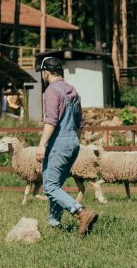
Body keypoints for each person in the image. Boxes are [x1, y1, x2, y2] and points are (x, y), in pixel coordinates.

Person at [36, 56, 99, 235]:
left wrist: (42, 145)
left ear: (45, 72)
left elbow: (51, 121)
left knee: (50, 187)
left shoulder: (51, 91)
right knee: (55, 184)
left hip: (59, 143)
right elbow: (80, 123)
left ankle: (81, 212)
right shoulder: (73, 91)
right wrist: (73, 141)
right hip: (72, 142)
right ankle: (54, 222)